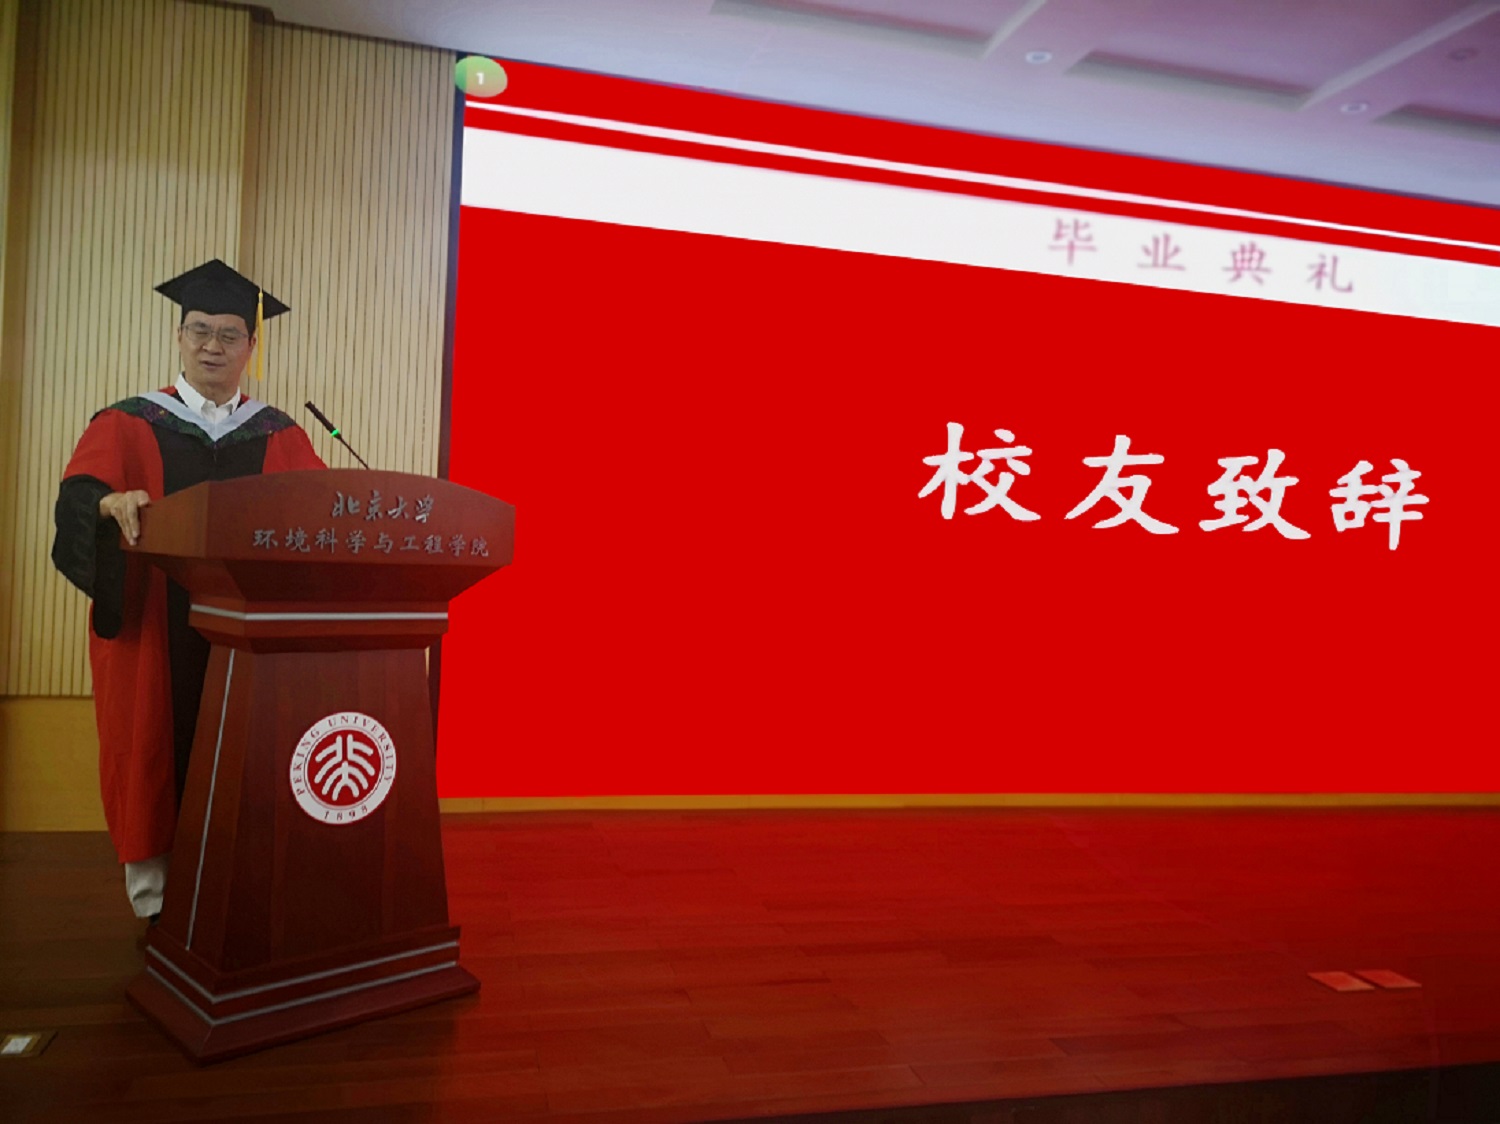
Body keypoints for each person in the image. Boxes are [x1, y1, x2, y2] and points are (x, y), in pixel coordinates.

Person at [51, 260, 327, 921]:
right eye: (200, 330)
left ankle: (243, 890)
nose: (213, 346)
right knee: (154, 750)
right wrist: (107, 504)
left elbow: (321, 512)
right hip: (158, 624)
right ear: (179, 337)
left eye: (229, 334)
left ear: (251, 347)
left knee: (248, 753)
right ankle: (158, 905)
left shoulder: (279, 433)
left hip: (249, 636)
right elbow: (78, 498)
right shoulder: (128, 422)